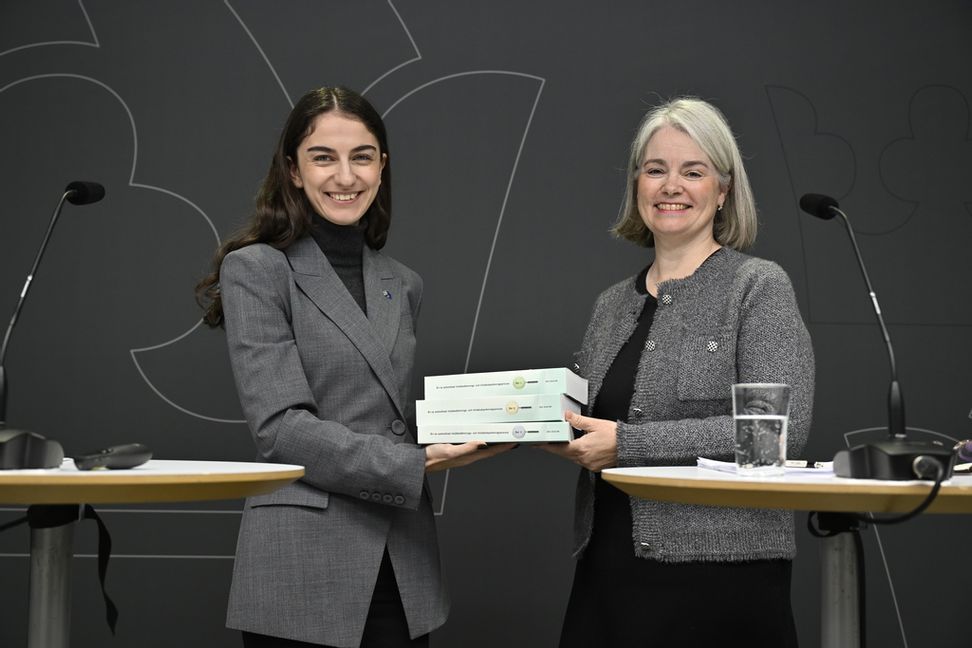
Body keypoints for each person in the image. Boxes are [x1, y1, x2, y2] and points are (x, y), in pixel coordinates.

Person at [196, 86, 510, 648]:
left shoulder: (403, 281)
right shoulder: (257, 270)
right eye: (324, 157)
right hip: (303, 564)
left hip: (404, 562)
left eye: (362, 156)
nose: (346, 176)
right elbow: (281, 431)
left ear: (382, 166)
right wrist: (416, 461)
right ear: (293, 170)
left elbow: (383, 413)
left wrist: (499, 422)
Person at [542, 97, 814, 647]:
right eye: (655, 170)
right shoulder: (610, 305)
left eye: (693, 171)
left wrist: (629, 444)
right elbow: (585, 414)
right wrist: (538, 421)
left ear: (723, 190)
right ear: (636, 185)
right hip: (609, 567)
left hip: (720, 580)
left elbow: (772, 434)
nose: (671, 186)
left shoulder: (757, 288)